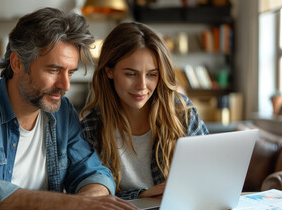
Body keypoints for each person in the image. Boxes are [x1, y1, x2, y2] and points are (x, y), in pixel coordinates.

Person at [0, 8, 140, 210]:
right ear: (17, 63)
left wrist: (89, 198)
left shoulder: (63, 113)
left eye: (70, 72)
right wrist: (69, 204)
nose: (65, 85)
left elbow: (94, 173)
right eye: (53, 70)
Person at [80, 22, 209, 200]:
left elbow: (208, 176)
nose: (142, 86)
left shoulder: (181, 113)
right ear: (109, 71)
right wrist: (142, 195)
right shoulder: (91, 127)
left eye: (152, 74)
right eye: (131, 74)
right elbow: (93, 199)